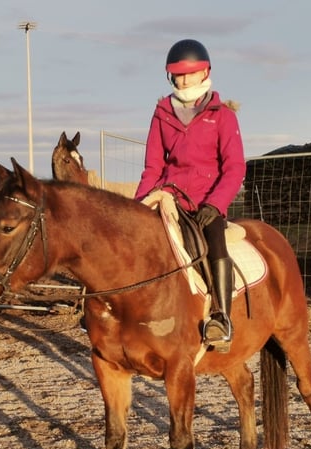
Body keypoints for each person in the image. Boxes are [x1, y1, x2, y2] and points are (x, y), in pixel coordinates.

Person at [134, 38, 246, 351]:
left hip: (206, 202)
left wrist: (216, 203)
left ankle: (221, 318)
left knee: (214, 245)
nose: (183, 80)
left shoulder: (222, 115)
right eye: (178, 75)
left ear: (204, 72)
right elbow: (152, 168)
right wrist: (139, 206)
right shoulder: (161, 113)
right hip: (168, 197)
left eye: (190, 74)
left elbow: (235, 168)